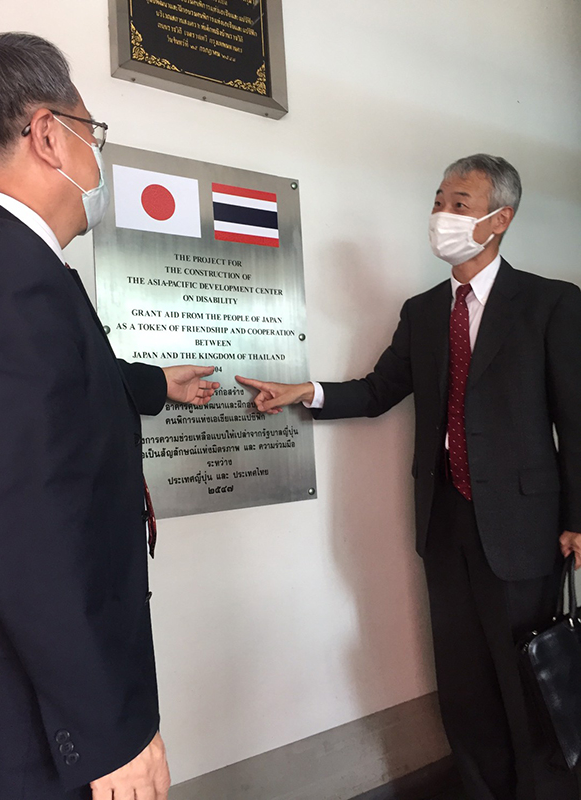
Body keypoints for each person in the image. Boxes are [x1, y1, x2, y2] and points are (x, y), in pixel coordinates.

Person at [237, 154, 581, 800]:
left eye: (459, 203)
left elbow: (577, 418)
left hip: (525, 530)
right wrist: (303, 391)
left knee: (528, 683)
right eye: (439, 200)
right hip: (445, 520)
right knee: (465, 684)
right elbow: (376, 391)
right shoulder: (424, 312)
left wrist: (577, 519)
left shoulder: (551, 304)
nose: (442, 215)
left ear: (499, 219)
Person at [0, 33, 220, 800]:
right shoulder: (10, 278)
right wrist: (109, 730)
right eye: (92, 131)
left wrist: (154, 386)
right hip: (35, 724)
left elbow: (47, 398)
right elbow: (27, 523)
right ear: (48, 134)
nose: (96, 156)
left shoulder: (14, 263)